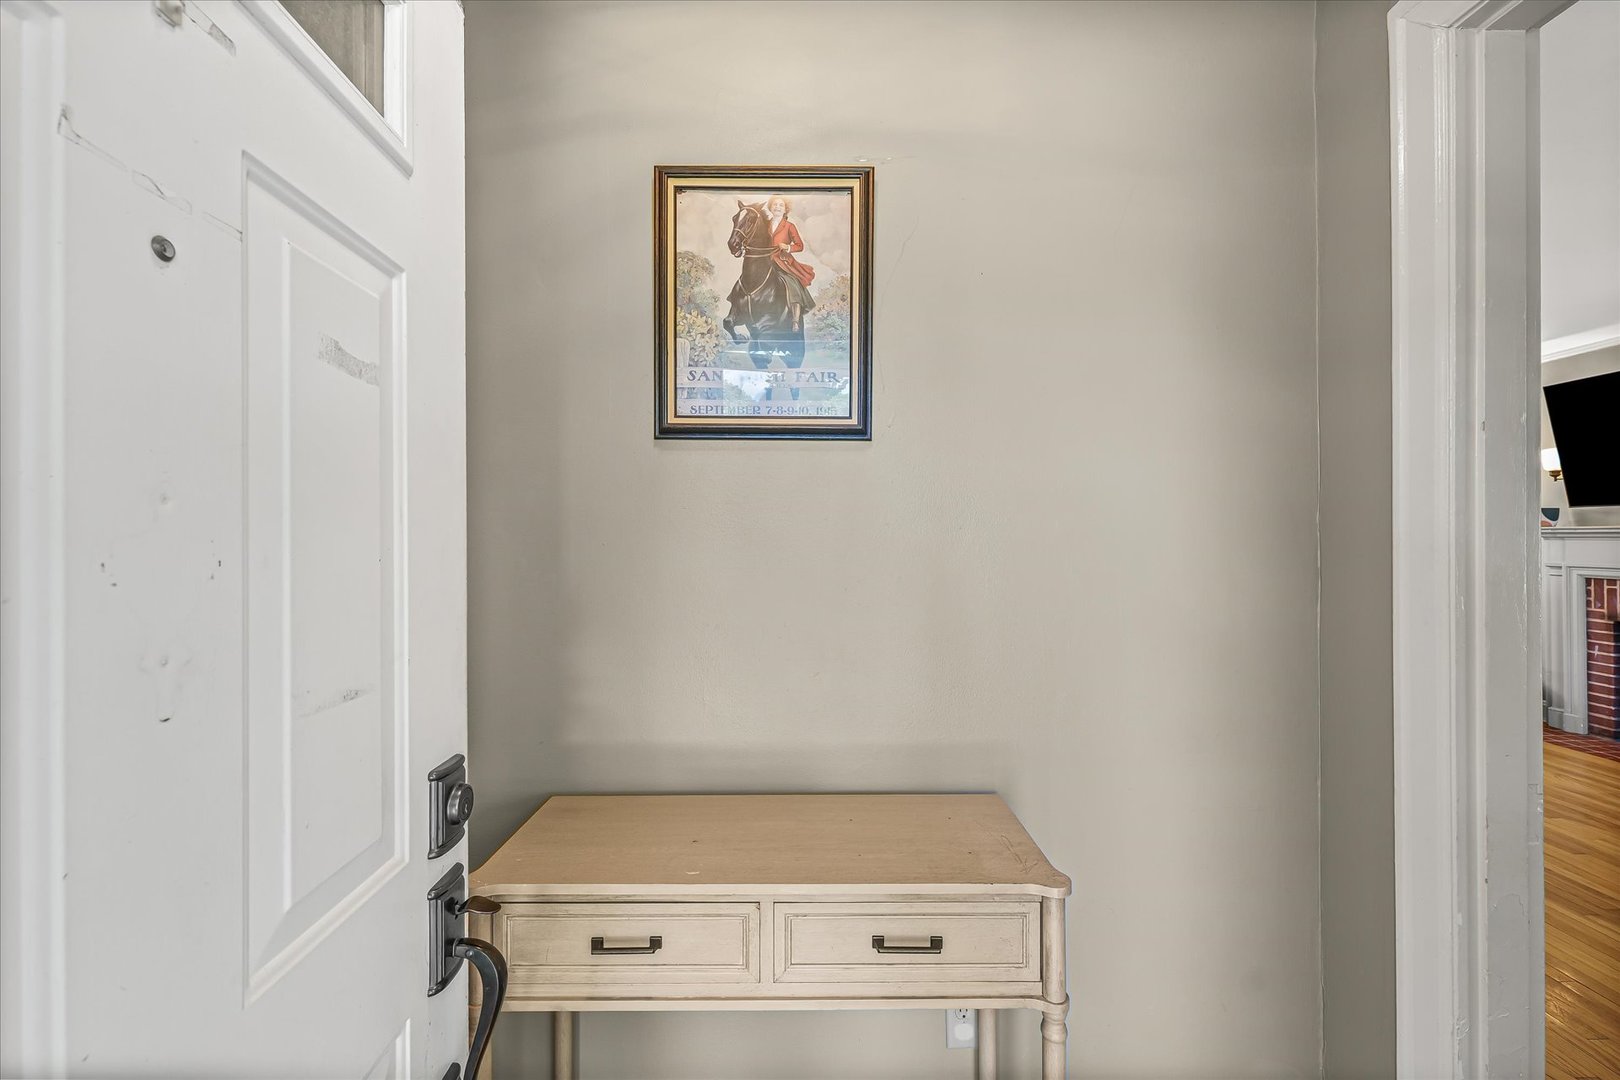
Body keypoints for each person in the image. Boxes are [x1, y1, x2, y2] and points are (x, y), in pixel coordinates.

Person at [764, 195, 816, 330]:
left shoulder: (789, 226)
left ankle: (795, 320)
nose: (777, 207)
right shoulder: (764, 224)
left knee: (793, 284)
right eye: (775, 204)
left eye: (781, 205)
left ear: (785, 209)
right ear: (770, 207)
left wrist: (787, 247)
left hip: (783, 262)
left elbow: (800, 246)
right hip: (764, 261)